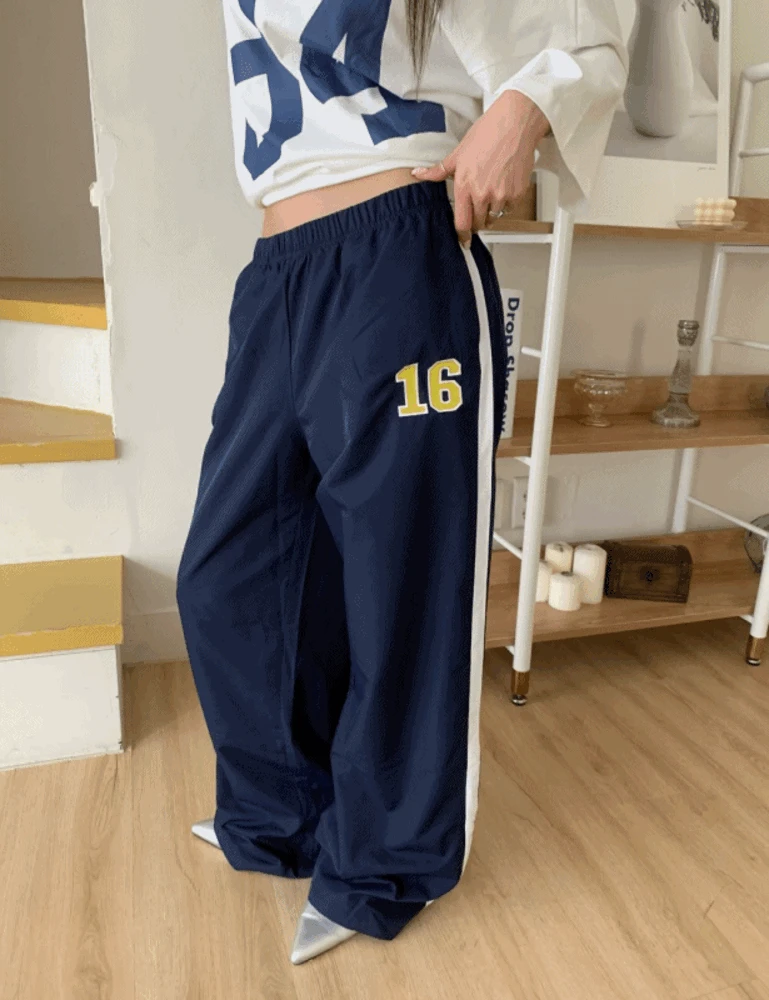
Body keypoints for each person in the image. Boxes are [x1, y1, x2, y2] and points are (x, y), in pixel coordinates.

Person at [176, 0, 627, 966]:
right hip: (277, 271)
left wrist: (519, 113)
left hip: (395, 250)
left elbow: (582, 33)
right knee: (231, 576)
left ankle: (382, 865)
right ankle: (279, 814)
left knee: (402, 586)